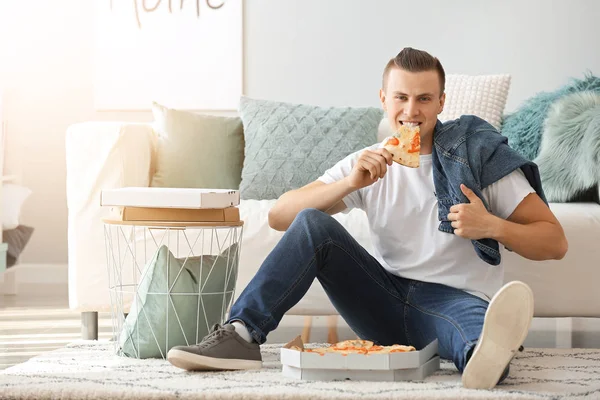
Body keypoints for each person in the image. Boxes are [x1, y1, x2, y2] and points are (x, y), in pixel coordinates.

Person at [166, 47, 568, 389]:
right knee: (311, 222)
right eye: (401, 98)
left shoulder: (479, 158)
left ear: (442, 102)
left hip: (453, 301)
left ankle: (485, 354)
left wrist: (491, 226)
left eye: (425, 99)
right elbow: (278, 215)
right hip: (383, 299)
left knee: (476, 340)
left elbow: (554, 241)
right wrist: (349, 183)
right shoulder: (370, 161)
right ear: (383, 98)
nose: (411, 111)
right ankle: (241, 334)